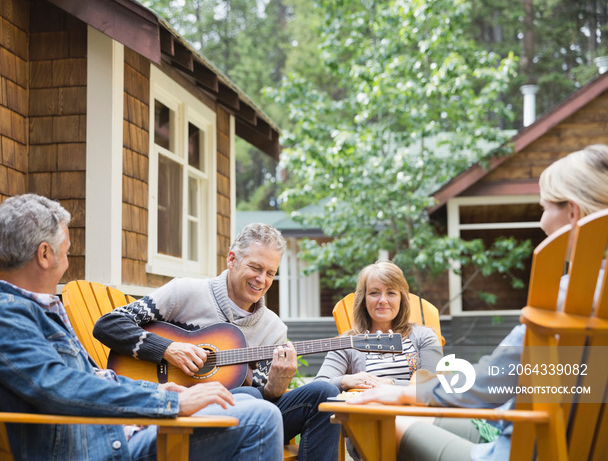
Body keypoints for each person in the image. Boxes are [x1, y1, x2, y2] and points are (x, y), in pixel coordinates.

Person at [0, 194, 284, 461]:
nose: (67, 261)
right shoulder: (3, 316)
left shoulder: (32, 308)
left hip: (120, 428)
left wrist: (157, 389)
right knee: (262, 419)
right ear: (45, 254)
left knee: (244, 401)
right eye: (66, 252)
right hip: (104, 446)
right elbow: (59, 388)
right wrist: (170, 403)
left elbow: (89, 379)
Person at [346, 143, 608, 461]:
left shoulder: (572, 298)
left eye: (545, 208)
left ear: (573, 212)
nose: (541, 222)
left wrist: (402, 392)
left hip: (525, 449)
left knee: (384, 418)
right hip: (570, 443)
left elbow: (491, 381)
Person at [94, 222, 341, 460]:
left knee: (325, 395)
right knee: (248, 396)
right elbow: (108, 324)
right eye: (255, 267)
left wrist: (275, 385)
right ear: (232, 259)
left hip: (248, 418)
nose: (261, 279)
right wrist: (168, 348)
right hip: (179, 411)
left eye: (270, 273)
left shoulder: (273, 328)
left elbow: (266, 399)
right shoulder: (185, 292)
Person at [314, 261, 443, 390]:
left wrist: (390, 383)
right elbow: (319, 386)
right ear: (364, 300)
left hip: (413, 409)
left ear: (401, 299)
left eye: (391, 293)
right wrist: (345, 380)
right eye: (374, 293)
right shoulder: (347, 343)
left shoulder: (423, 336)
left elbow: (435, 384)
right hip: (365, 409)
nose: (382, 300)